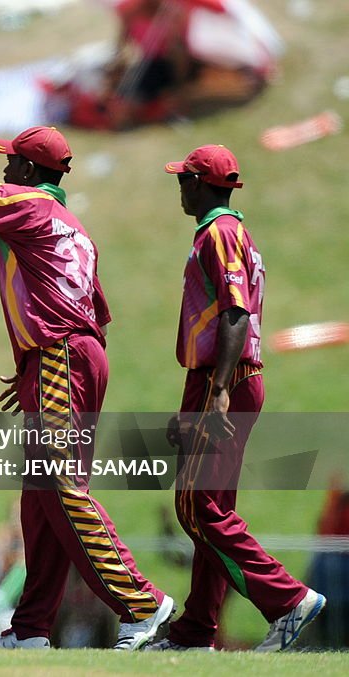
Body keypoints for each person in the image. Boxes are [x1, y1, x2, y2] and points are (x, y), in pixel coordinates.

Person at [0, 123, 173, 650]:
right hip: (78, 356)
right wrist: (34, 367)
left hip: (60, 355)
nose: (4, 170)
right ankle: (29, 630)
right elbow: (99, 316)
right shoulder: (74, 225)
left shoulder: (18, 198)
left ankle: (142, 602)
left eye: (10, 161)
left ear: (27, 170)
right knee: (40, 497)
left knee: (61, 488)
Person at [146, 145, 324, 652]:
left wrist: (217, 392)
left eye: (185, 179)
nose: (180, 187)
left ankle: (288, 601)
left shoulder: (220, 233)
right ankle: (196, 630)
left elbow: (235, 313)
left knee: (199, 508)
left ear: (202, 184)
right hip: (219, 379)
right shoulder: (228, 232)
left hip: (225, 377)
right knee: (212, 507)